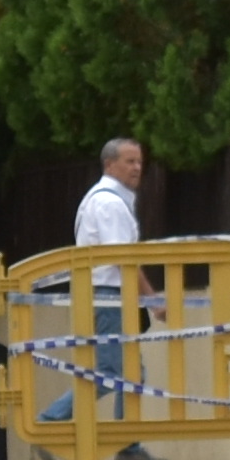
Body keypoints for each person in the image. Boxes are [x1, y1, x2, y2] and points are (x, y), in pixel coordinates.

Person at [46, 134, 147, 435]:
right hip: (109, 296)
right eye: (130, 161)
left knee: (131, 371)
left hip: (109, 294)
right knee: (113, 372)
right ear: (109, 165)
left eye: (139, 161)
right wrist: (152, 298)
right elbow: (121, 258)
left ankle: (128, 444)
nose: (137, 167)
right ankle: (51, 420)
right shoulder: (109, 203)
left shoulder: (108, 199)